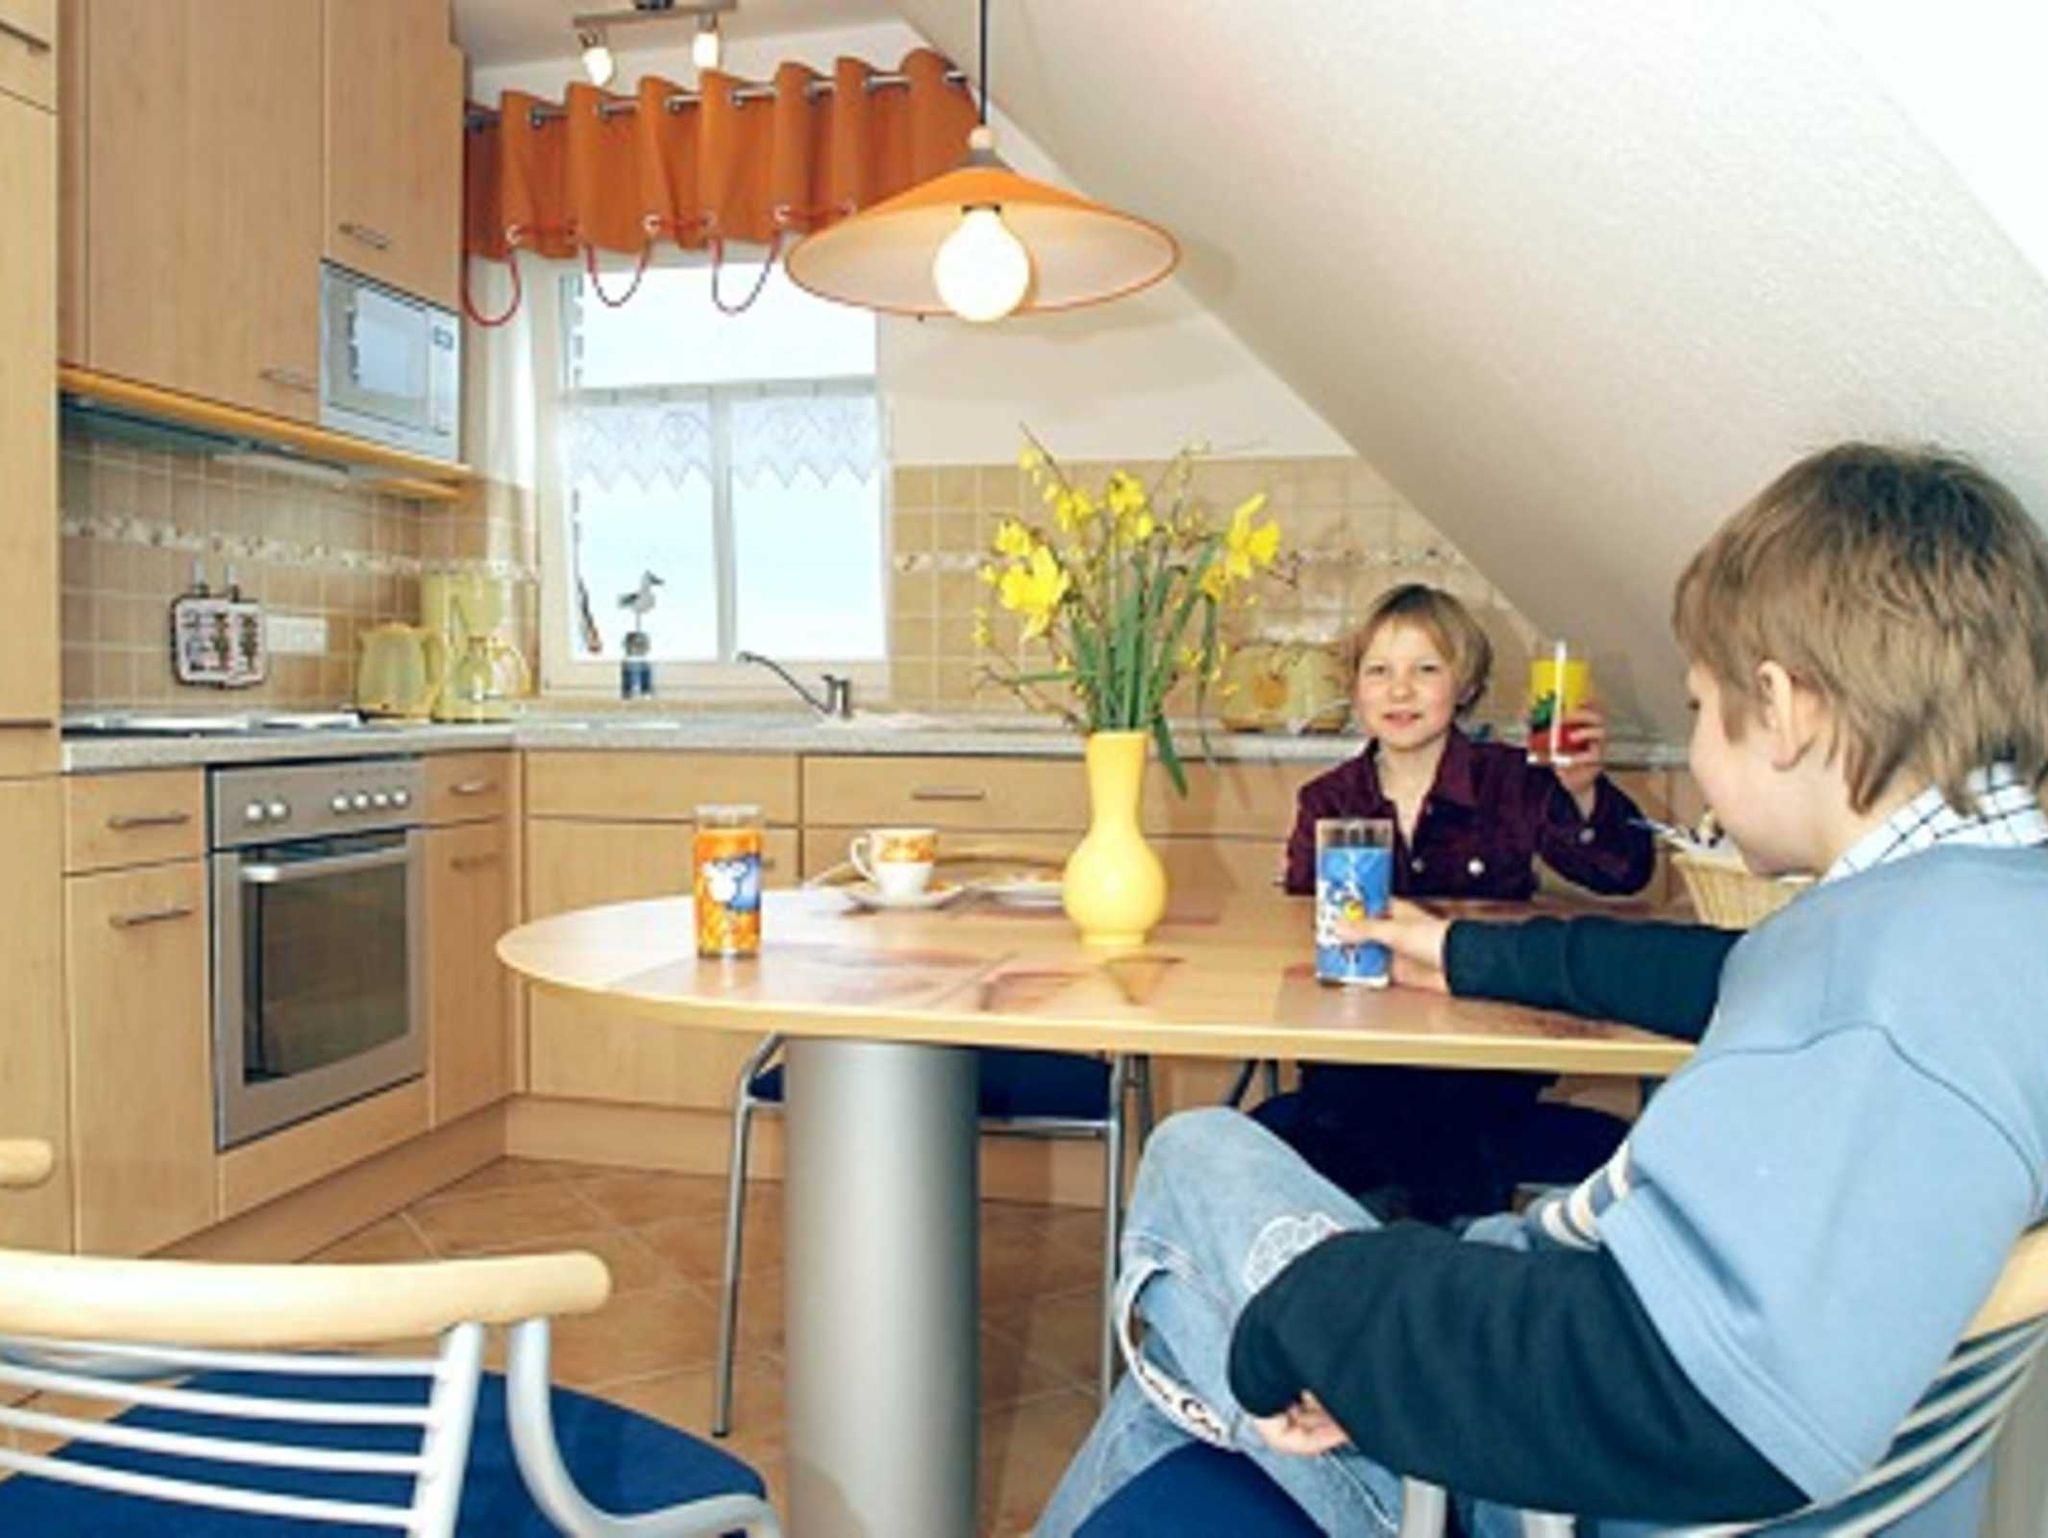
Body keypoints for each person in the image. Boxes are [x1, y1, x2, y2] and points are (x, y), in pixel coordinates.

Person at [1037, 442, 2048, 1537]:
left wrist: (1338, 1302)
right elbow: (1718, 970)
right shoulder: (1964, 919)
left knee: (1196, 1159)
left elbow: (1679, 1403)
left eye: (1700, 707)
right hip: (1592, 1394)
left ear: (1783, 706)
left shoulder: (1883, 1008)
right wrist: (1462, 950)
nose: (1698, 754)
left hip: (1530, 1479)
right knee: (1185, 1358)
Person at [1267, 583, 1658, 1220]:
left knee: (1450, 1150)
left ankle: (1435, 1261)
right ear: (1355, 689)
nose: (1400, 691)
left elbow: (1622, 872)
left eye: (1426, 670)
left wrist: (1582, 792)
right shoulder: (1328, 799)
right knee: (1340, 1139)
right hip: (1359, 1053)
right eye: (1379, 671)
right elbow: (1303, 927)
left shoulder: (1514, 779)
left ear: (1466, 683)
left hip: (1482, 1057)